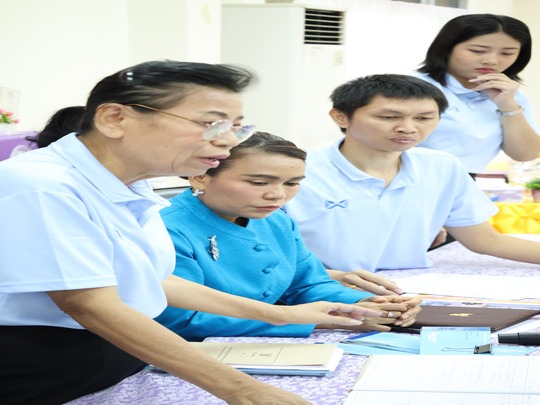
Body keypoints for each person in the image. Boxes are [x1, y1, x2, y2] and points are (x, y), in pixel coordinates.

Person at [0, 60, 377, 405]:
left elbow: (154, 280)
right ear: (115, 118)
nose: (229, 141)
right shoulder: (44, 186)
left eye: (236, 126)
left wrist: (282, 315)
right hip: (45, 371)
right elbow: (89, 304)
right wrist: (243, 391)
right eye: (211, 124)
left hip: (118, 362)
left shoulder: (132, 183)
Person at [155, 132, 421, 341]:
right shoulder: (165, 229)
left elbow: (306, 285)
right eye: (258, 183)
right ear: (200, 177)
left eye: (292, 183)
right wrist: (317, 320)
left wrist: (365, 304)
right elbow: (181, 321)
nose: (278, 195)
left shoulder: (275, 220)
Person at [283, 74, 540, 286]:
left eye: (424, 118)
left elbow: (486, 240)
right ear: (341, 117)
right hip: (319, 288)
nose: (408, 128)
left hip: (411, 289)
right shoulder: (297, 172)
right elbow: (269, 259)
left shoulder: (442, 166)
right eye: (389, 117)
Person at [416, 13, 540, 176]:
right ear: (446, 48)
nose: (492, 61)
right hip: (410, 178)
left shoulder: (513, 96)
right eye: (478, 51)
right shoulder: (413, 87)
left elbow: (525, 154)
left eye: (507, 53)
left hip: (465, 181)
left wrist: (507, 105)